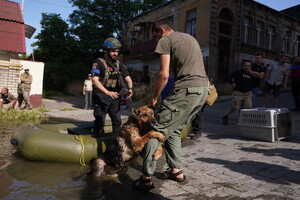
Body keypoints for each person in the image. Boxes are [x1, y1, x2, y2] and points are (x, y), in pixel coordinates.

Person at [133, 19, 208, 191]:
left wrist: (154, 97)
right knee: (173, 130)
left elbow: (163, 75)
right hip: (202, 91)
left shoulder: (166, 40)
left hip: (186, 91)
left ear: (161, 30)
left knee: (156, 131)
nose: (156, 40)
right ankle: (176, 170)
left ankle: (145, 178)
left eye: (155, 36)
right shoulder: (190, 38)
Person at [91, 37, 133, 135]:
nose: (115, 54)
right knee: (100, 121)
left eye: (117, 51)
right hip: (101, 96)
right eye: (113, 51)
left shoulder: (118, 64)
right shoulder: (98, 63)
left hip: (114, 96)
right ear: (106, 50)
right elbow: (95, 80)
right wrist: (107, 92)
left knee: (117, 121)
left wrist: (130, 89)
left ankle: (117, 142)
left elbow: (127, 77)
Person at [222, 61, 254, 125]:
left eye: (248, 66)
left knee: (248, 106)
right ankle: (225, 116)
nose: (247, 67)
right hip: (238, 93)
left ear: (250, 67)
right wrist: (232, 82)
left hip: (247, 94)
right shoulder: (238, 72)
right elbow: (228, 77)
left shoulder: (251, 74)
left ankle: (243, 120)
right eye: (245, 66)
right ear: (243, 66)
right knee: (234, 106)